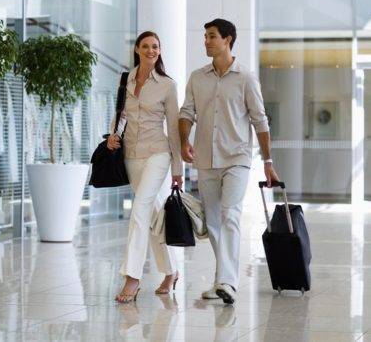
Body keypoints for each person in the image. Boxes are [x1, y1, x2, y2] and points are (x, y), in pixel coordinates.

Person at [178, 18, 280, 305]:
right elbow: (186, 112)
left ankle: (228, 282)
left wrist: (268, 161)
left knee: (230, 215)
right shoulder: (197, 77)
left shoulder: (246, 78)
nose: (206, 41)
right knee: (212, 221)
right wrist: (185, 140)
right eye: (205, 36)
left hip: (237, 157)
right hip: (206, 159)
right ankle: (222, 280)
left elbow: (260, 121)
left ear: (228, 39)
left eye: (212, 36)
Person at [108, 31, 183, 303]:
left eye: (156, 47)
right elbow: (120, 114)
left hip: (158, 153)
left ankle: (132, 277)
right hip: (131, 154)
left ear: (159, 51)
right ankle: (171, 271)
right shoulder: (125, 80)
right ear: (137, 50)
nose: (151, 50)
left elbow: (174, 130)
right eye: (146, 46)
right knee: (151, 214)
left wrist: (178, 169)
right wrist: (113, 135)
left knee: (139, 210)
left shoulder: (167, 85)